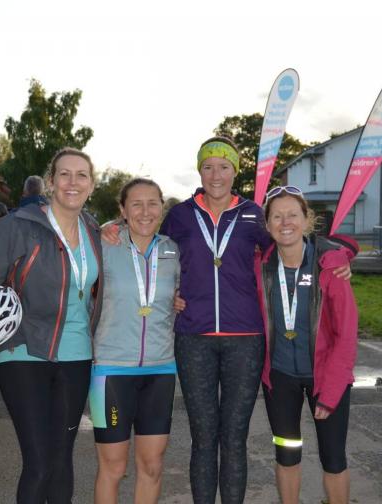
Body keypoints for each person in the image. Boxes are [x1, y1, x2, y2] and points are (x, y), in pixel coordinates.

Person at [100, 136, 350, 503]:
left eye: (224, 166)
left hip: (245, 340)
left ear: (236, 171)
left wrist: (343, 251)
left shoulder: (254, 215)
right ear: (199, 170)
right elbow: (147, 238)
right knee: (203, 436)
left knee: (234, 437)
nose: (215, 174)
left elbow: (292, 239)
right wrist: (111, 226)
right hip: (194, 337)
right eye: (208, 166)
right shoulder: (181, 215)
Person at [0, 147, 103, 503]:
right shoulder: (19, 226)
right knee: (39, 461)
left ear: (92, 185)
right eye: (64, 174)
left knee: (62, 460)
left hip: (76, 356)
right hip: (24, 351)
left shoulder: (94, 230)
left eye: (82, 175)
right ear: (51, 182)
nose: (73, 182)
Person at [257, 186, 358, 504]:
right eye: (277, 216)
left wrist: (330, 394)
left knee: (333, 457)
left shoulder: (330, 265)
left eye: (292, 215)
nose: (285, 222)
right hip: (280, 378)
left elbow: (346, 335)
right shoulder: (259, 265)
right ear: (268, 224)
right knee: (287, 453)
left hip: (327, 377)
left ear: (306, 219)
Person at [91, 178, 180, 504]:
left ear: (162, 207)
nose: (145, 211)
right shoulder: (104, 245)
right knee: (113, 468)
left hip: (161, 370)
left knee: (152, 465)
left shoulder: (172, 249)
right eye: (136, 204)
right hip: (111, 372)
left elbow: (182, 294)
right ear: (123, 211)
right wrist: (103, 227)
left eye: (152, 203)